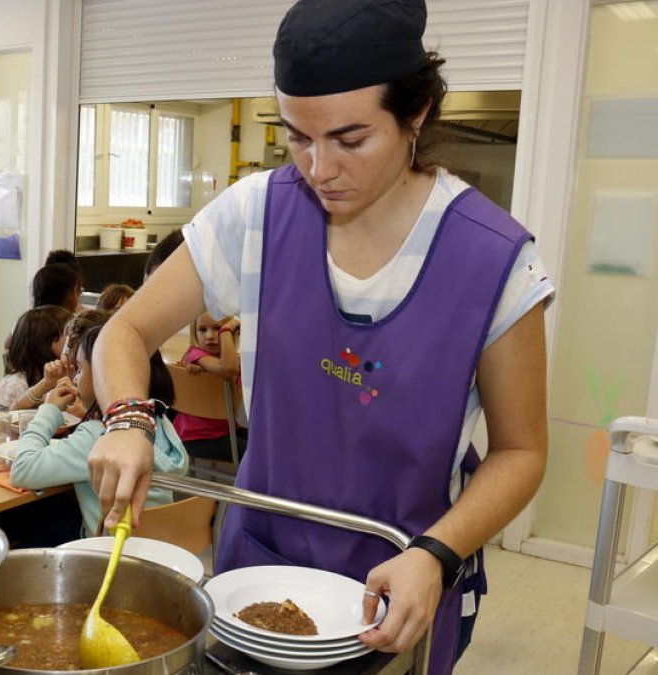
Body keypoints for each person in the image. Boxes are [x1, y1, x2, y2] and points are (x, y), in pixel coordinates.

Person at [86, 2, 553, 673]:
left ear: (415, 113)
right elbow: (125, 329)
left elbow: (522, 449)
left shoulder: (496, 261)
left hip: (404, 577)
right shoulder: (257, 213)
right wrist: (128, 416)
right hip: (258, 569)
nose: (317, 167)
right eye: (297, 136)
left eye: (349, 139)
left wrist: (437, 552)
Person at [10, 325, 188, 537]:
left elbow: (22, 470)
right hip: (157, 547)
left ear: (104, 377)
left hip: (107, 554)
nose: (75, 378)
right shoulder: (159, 421)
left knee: (16, 523)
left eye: (80, 369)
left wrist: (49, 409)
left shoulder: (98, 437)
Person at [172, 312, 243, 461]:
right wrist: (226, 330)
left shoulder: (234, 359)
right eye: (202, 330)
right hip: (195, 437)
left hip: (224, 430)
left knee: (265, 444)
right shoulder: (194, 354)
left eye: (217, 328)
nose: (210, 336)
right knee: (258, 454)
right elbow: (228, 369)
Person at [0, 305, 71, 412]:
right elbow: (2, 421)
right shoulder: (16, 384)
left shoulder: (62, 373)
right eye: (67, 334)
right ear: (48, 341)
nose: (72, 340)